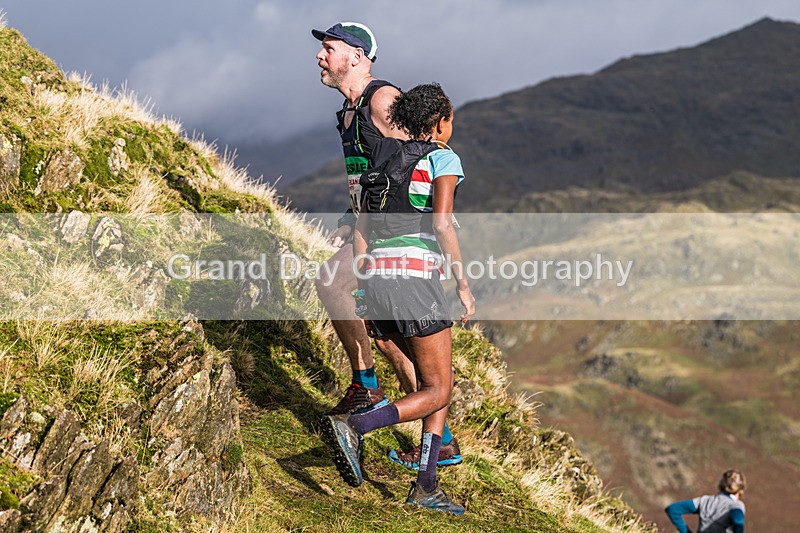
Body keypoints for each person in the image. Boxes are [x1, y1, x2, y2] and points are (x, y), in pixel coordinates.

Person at [311, 22, 462, 468]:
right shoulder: (348, 112)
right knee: (391, 343)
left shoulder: (382, 100)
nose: (320, 56)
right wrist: (350, 216)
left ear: (357, 56)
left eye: (329, 48)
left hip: (394, 237)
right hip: (373, 229)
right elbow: (371, 173)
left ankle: (366, 389)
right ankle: (440, 439)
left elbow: (413, 163)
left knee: (332, 282)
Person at [322, 83, 475, 515]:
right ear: (439, 123)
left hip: (378, 276)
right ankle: (357, 425)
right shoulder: (444, 157)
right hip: (415, 278)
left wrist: (366, 288)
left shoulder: (383, 157)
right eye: (450, 118)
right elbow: (442, 225)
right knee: (438, 388)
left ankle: (427, 485)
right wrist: (463, 285)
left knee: (434, 381)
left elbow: (362, 229)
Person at [665, 469, 747, 533]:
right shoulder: (736, 505)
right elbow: (738, 521)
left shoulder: (704, 501)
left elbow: (673, 509)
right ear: (740, 490)